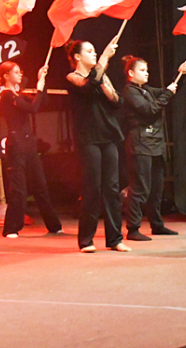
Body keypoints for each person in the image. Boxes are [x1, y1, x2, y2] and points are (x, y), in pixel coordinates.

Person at [65, 38, 130, 253]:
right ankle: (86, 240)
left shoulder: (102, 76)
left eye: (95, 52)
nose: (94, 54)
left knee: (112, 188)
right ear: (77, 57)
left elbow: (118, 101)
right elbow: (87, 87)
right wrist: (103, 60)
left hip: (108, 135)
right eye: (90, 51)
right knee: (92, 188)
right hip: (88, 138)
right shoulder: (73, 77)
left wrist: (107, 88)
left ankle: (115, 239)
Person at [120, 56, 186, 241]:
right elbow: (149, 110)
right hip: (140, 143)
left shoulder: (147, 90)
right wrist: (167, 94)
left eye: (147, 69)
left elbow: (169, 91)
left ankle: (157, 225)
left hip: (156, 144)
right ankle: (133, 228)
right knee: (139, 187)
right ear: (131, 73)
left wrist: (180, 75)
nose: (147, 73)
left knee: (157, 188)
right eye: (142, 70)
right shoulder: (130, 91)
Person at [0, 61, 63, 238]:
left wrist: (42, 81)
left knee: (40, 184)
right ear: (5, 76)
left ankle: (53, 225)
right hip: (16, 143)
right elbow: (32, 108)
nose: (20, 74)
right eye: (16, 72)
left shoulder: (18, 94)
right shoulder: (7, 95)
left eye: (20, 71)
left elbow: (42, 102)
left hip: (29, 142)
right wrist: (39, 89)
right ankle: (11, 228)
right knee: (18, 187)